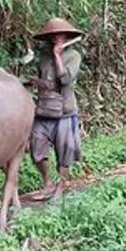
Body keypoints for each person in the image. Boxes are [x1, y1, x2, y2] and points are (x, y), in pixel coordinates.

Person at [24, 17, 84, 201]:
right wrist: (30, 81)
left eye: (60, 34)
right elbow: (44, 79)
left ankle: (60, 186)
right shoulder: (43, 57)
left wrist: (58, 55)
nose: (56, 38)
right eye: (53, 35)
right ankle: (47, 183)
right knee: (36, 147)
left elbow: (65, 80)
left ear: (66, 36)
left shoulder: (74, 55)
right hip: (44, 110)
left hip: (64, 111)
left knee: (64, 151)